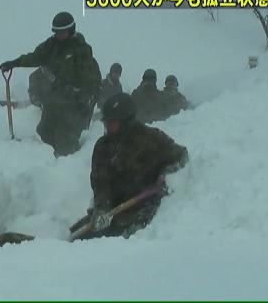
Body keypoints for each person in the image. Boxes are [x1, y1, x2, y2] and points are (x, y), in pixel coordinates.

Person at [75, 93, 188, 240]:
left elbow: (181, 155)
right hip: (115, 208)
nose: (108, 127)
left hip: (145, 204)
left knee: (125, 238)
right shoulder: (102, 147)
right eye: (106, 122)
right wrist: (102, 207)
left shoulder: (151, 138)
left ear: (126, 121)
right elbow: (100, 182)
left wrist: (167, 173)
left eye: (112, 123)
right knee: (82, 236)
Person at [0, 11, 101, 156]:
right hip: (55, 99)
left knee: (64, 138)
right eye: (56, 32)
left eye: (62, 32)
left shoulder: (81, 49)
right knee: (44, 131)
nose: (59, 35)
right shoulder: (51, 45)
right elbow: (35, 57)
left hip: (74, 103)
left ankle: (68, 168)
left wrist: (85, 99)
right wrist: (14, 63)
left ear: (70, 30)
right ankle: (47, 163)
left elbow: (90, 80)